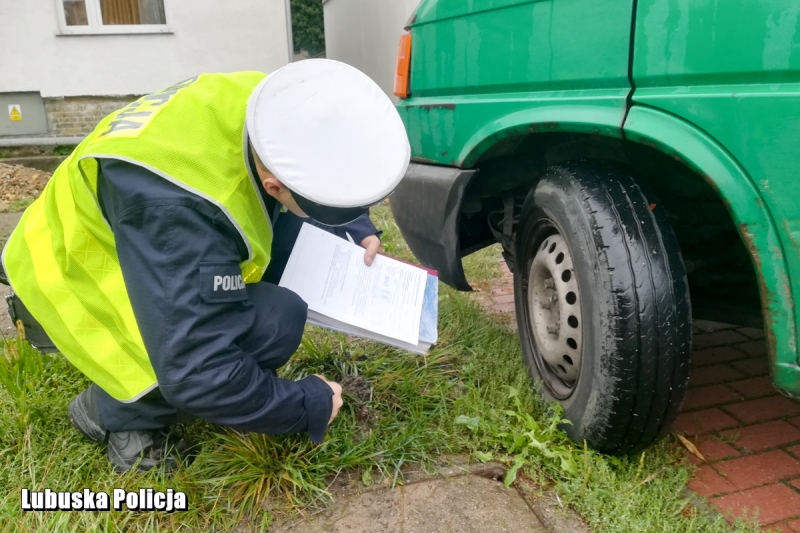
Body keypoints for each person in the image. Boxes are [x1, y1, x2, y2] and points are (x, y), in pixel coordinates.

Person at [1, 60, 411, 472]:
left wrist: (354, 224)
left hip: (128, 240)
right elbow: (200, 370)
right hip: (73, 281)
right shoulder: (179, 210)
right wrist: (307, 405)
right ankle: (124, 417)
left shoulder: (273, 103)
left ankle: (121, 397)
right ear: (275, 185)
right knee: (273, 322)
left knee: (289, 246)